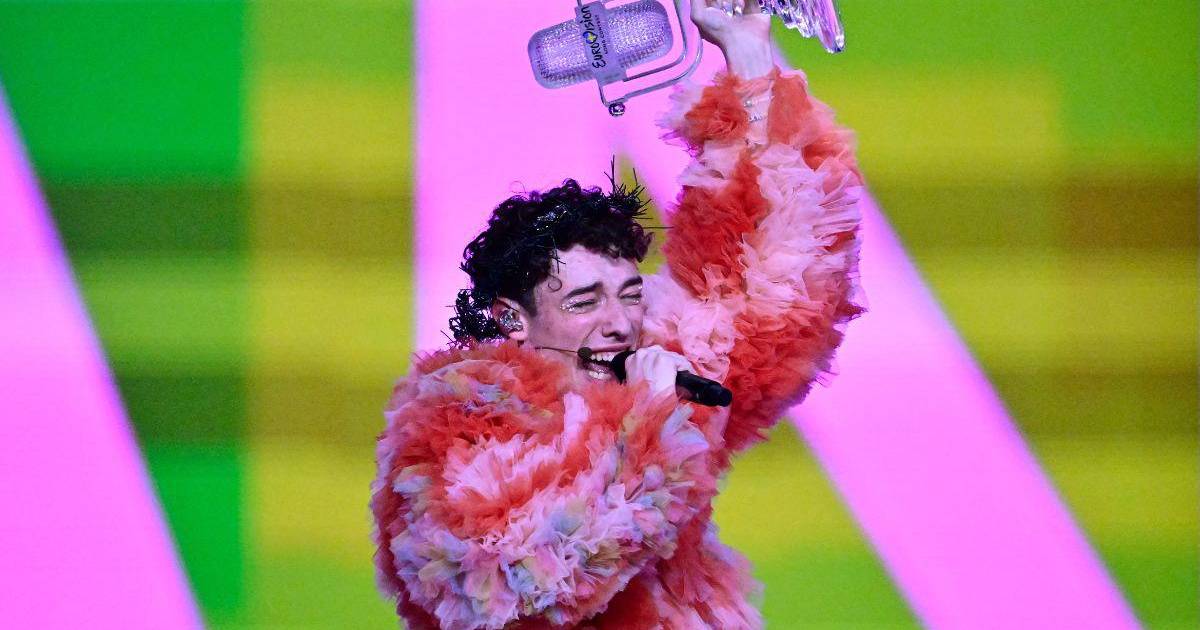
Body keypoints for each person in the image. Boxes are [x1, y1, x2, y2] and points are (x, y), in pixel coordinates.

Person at [371, 1, 865, 627]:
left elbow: (778, 282)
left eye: (630, 293)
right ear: (512, 318)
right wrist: (648, 434)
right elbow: (504, 581)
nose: (619, 322)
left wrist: (745, 54)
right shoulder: (454, 427)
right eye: (584, 301)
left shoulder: (655, 373)